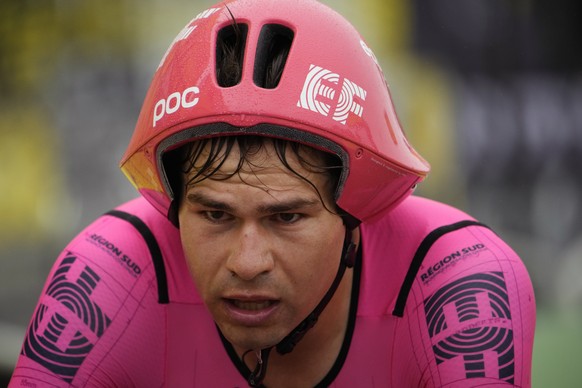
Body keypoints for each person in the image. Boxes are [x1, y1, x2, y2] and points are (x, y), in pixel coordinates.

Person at [9, 0, 536, 386]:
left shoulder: (458, 279)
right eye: (214, 213)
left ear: (358, 211)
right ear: (173, 204)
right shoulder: (111, 270)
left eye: (286, 217)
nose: (247, 262)